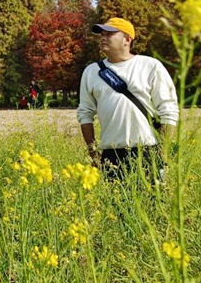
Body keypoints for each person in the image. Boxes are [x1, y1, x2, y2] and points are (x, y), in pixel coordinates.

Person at [76, 18, 178, 180]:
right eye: (101, 34)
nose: (103, 38)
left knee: (153, 204)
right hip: (111, 155)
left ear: (127, 39)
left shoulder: (150, 66)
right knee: (114, 205)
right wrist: (94, 154)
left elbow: (168, 110)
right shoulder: (91, 72)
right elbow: (85, 113)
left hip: (148, 150)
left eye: (109, 34)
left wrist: (162, 153)